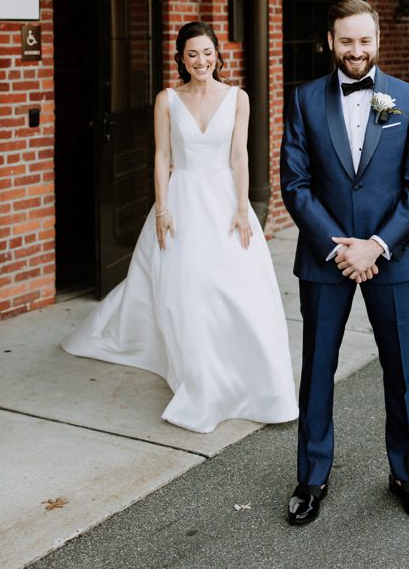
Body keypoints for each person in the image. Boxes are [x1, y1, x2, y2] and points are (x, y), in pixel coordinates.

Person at [61, 21, 298, 434]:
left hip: (225, 200)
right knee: (187, 290)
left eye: (207, 53)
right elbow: (161, 157)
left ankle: (253, 380)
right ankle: (200, 380)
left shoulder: (237, 98)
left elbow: (240, 155)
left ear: (218, 55)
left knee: (237, 289)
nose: (201, 61)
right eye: (192, 54)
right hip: (184, 198)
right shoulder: (167, 100)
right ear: (181, 59)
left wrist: (243, 208)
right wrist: (163, 210)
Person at [281, 0, 409, 526]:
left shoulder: (408, 100)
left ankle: (407, 473)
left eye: (365, 40)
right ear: (330, 41)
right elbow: (296, 185)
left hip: (391, 258)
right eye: (346, 41)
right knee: (318, 371)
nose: (356, 51)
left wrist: (375, 245)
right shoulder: (303, 100)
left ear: (377, 40)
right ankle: (311, 477)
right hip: (326, 259)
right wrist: (340, 245)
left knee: (401, 370)